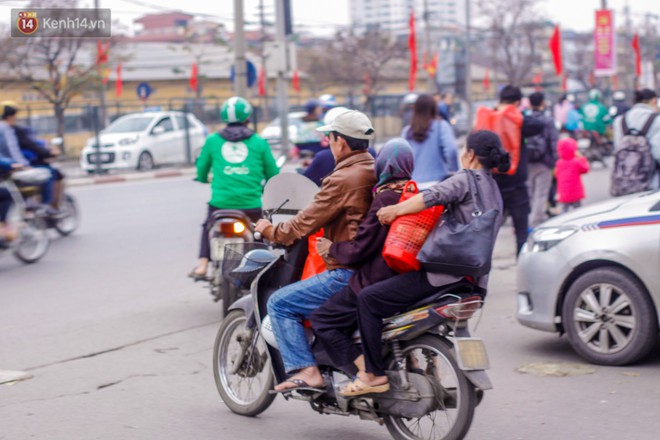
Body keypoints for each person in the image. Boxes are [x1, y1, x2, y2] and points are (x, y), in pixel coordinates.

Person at [338, 130, 510, 396]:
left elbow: (432, 196)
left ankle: (372, 374)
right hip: (475, 283)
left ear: (471, 154)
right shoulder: (494, 189)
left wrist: (394, 210)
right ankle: (412, 359)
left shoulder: (466, 178)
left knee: (369, 299)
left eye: (464, 149)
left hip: (442, 276)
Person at [255, 110, 377, 392]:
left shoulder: (343, 178)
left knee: (279, 303)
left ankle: (307, 370)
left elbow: (303, 222)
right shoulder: (373, 168)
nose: (330, 143)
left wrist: (271, 230)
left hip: (345, 271)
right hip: (372, 267)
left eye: (330, 137)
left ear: (340, 143)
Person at [310, 138, 414, 376]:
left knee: (322, 320)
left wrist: (331, 248)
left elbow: (360, 248)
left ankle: (365, 371)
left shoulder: (385, 199)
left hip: (375, 277)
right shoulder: (411, 193)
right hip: (402, 275)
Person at [189, 96, 279, 280]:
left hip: (221, 204)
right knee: (260, 234)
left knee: (208, 226)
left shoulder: (213, 140)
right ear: (248, 118)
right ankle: (263, 271)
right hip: (251, 204)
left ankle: (202, 264)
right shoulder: (258, 142)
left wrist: (204, 178)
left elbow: (201, 170)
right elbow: (273, 175)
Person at [490, 86, 544, 254]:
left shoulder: (488, 118)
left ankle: (479, 274)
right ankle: (522, 267)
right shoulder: (517, 120)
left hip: (492, 184)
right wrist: (515, 113)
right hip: (516, 184)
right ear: (518, 103)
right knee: (521, 232)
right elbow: (538, 125)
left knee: (487, 233)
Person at [402, 94, 458, 188]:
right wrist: (454, 170)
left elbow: (402, 157)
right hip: (439, 183)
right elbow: (451, 150)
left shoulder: (407, 131)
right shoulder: (441, 126)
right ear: (434, 108)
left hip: (414, 185)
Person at [613, 88, 660, 188]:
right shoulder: (656, 119)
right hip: (651, 179)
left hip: (625, 179)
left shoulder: (619, 120)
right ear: (653, 100)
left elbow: (617, 147)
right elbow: (658, 152)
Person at [526, 92, 558, 228]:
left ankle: (529, 220)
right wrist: (555, 161)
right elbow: (553, 141)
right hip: (544, 162)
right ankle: (535, 223)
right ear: (542, 103)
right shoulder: (548, 121)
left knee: (531, 193)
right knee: (541, 194)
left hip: (528, 161)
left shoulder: (525, 119)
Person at [302, 106, 350, 186]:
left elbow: (304, 183)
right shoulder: (370, 154)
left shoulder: (323, 157)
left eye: (329, 136)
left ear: (338, 139)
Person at [555, 138, 589, 212]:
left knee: (564, 211)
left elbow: (556, 174)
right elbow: (585, 169)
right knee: (577, 210)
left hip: (563, 193)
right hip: (575, 193)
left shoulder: (559, 163)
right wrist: (581, 158)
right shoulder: (576, 162)